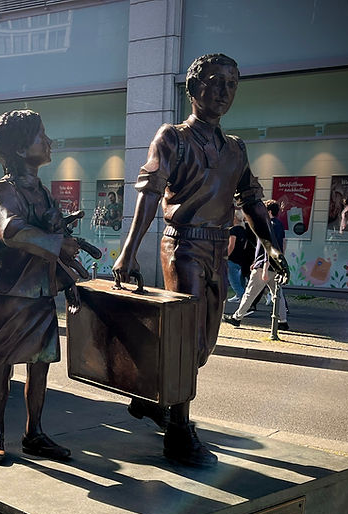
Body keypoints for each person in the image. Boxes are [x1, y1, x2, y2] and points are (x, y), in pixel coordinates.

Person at [112, 53, 288, 467]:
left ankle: (149, 399)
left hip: (218, 248)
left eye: (231, 84)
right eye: (215, 82)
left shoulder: (236, 148)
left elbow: (251, 200)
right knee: (186, 341)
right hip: (183, 245)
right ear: (193, 89)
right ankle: (179, 432)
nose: (224, 92)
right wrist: (128, 251)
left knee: (204, 345)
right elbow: (149, 193)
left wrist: (271, 246)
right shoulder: (172, 137)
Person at [0, 109, 82, 465]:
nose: (49, 142)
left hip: (41, 291)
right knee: (0, 364)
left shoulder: (43, 192)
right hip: (11, 293)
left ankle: (34, 433)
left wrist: (68, 278)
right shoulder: (3, 189)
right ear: (21, 149)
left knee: (40, 365)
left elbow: (54, 240)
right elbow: (11, 230)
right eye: (41, 136)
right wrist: (57, 242)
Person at [225, 200, 289, 330]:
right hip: (275, 265)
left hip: (264, 266)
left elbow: (268, 248)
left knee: (250, 293)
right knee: (278, 294)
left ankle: (237, 318)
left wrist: (264, 266)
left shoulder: (267, 225)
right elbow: (282, 245)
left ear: (268, 212)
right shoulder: (279, 225)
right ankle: (283, 321)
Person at [225, 207, 251, 304]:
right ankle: (239, 298)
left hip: (232, 258)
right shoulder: (243, 230)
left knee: (235, 283)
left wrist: (226, 256)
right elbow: (244, 246)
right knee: (240, 281)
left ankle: (244, 301)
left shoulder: (233, 230)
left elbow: (231, 245)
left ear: (235, 218)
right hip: (240, 258)